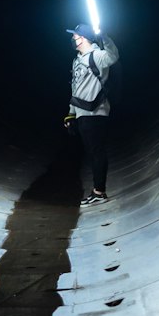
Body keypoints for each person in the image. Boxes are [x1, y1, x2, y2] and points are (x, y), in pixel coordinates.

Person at [64, 23, 120, 206]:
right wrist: (71, 115)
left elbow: (113, 56)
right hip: (82, 114)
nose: (73, 39)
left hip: (96, 113)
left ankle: (99, 192)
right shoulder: (77, 60)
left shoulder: (97, 56)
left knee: (97, 152)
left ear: (84, 38)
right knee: (92, 152)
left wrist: (104, 36)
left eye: (76, 35)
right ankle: (98, 190)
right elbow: (75, 88)